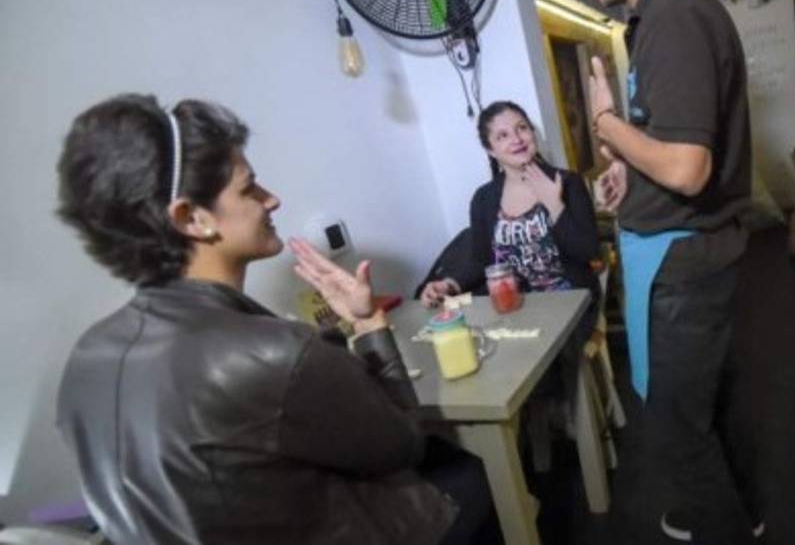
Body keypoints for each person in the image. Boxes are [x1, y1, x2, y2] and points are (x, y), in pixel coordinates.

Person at [55, 94, 495, 545]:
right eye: (250, 189)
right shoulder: (273, 353)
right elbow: (402, 443)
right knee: (473, 477)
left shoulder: (85, 361)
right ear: (192, 217)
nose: (272, 200)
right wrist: (368, 326)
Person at [553, 0, 762, 543]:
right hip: (691, 254)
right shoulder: (662, 16)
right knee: (710, 404)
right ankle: (742, 511)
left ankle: (721, 526)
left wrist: (605, 121)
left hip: (682, 260)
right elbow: (668, 152)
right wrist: (626, 168)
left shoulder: (673, 16)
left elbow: (688, 168)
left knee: (676, 421)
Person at [417, 100, 600, 404]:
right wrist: (447, 284)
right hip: (514, 306)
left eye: (522, 128)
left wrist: (555, 205)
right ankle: (523, 432)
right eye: (502, 136)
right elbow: (480, 261)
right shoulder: (484, 198)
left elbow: (587, 251)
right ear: (490, 150)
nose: (516, 139)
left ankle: (558, 426)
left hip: (568, 303)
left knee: (532, 366)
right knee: (482, 355)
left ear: (532, 133)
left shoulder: (567, 182)